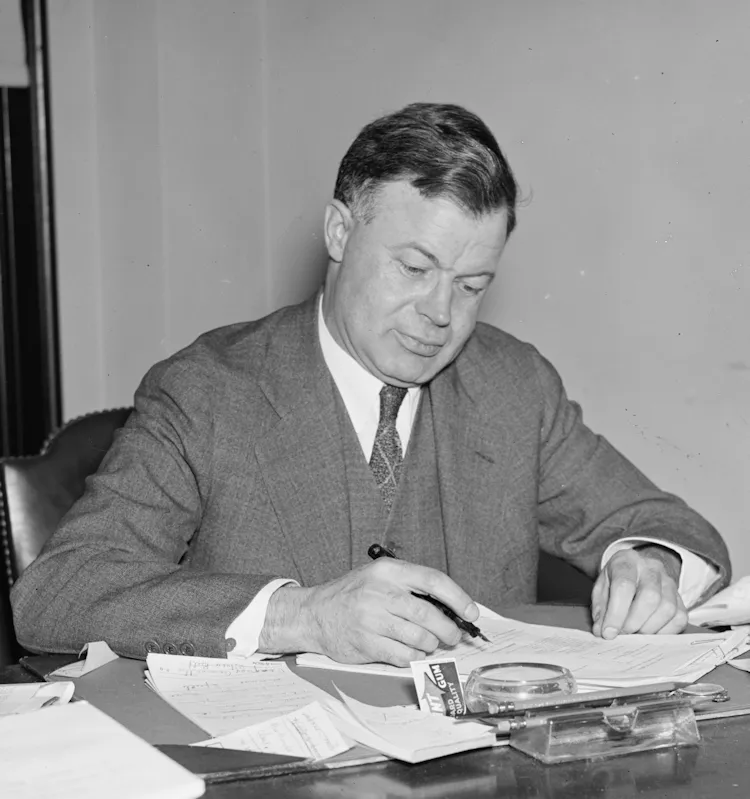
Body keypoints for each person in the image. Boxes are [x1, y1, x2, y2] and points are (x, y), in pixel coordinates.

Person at [11, 103, 730, 666]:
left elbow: (676, 530)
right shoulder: (208, 391)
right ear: (337, 232)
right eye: (413, 269)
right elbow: (55, 594)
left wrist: (651, 564)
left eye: (472, 283)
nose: (441, 315)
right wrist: (302, 615)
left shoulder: (514, 387)